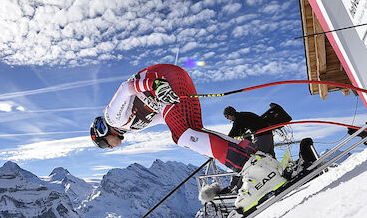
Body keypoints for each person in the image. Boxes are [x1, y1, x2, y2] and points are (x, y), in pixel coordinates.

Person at [90, 64, 257, 172]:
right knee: (191, 132)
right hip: (173, 84)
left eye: (104, 145)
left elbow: (126, 88)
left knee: (182, 135)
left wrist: (155, 85)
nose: (110, 148)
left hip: (163, 79)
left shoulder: (112, 117)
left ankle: (248, 166)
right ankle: (253, 155)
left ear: (104, 132)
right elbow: (164, 117)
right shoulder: (132, 126)